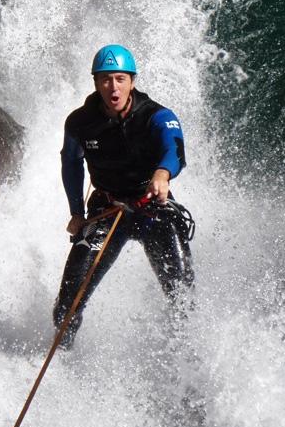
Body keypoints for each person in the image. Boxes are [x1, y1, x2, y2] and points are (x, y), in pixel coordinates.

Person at [52, 44, 195, 349]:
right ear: (95, 82)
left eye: (119, 78)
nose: (112, 87)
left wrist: (162, 174)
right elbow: (71, 164)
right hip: (107, 210)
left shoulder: (156, 116)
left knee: (184, 302)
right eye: (105, 79)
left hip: (152, 210)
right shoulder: (79, 122)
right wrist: (77, 213)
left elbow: (175, 150)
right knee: (66, 307)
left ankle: (190, 378)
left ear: (132, 81)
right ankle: (61, 366)